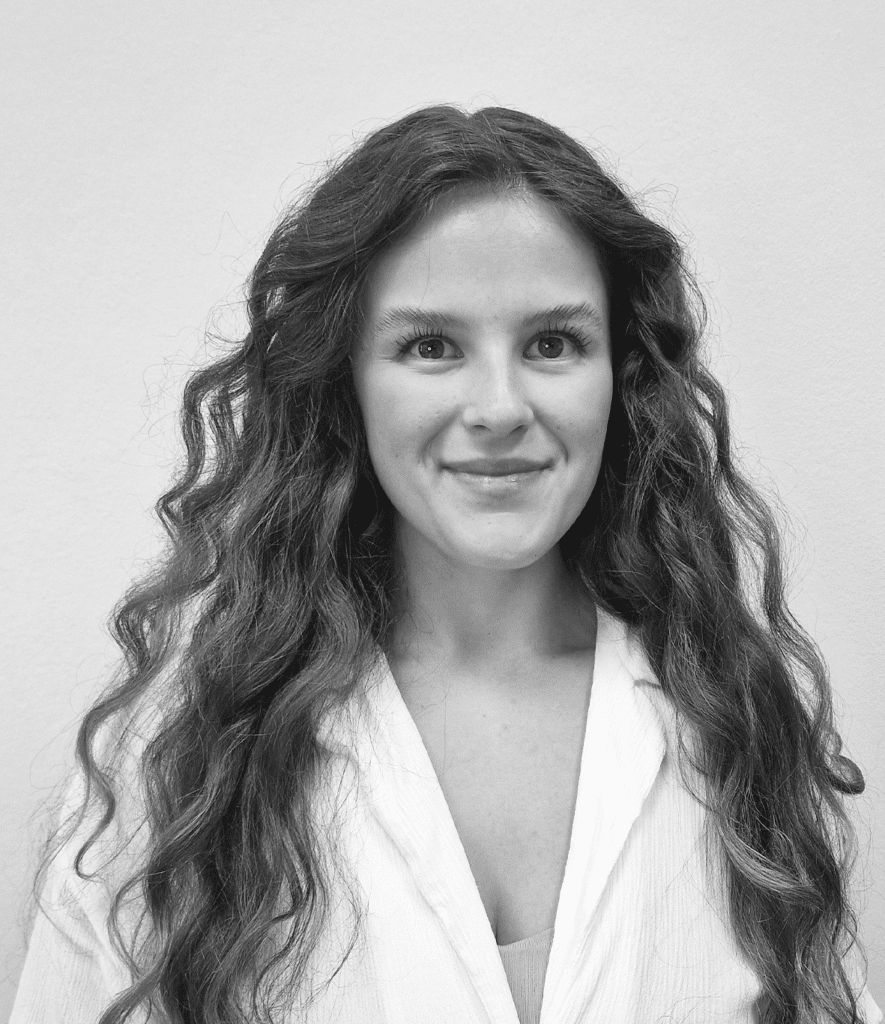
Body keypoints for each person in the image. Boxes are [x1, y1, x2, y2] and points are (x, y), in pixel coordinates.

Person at [10, 105, 881, 1024]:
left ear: (621, 377)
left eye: (552, 343)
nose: (499, 406)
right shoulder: (171, 768)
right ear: (343, 382)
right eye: (431, 346)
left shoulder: (732, 723)